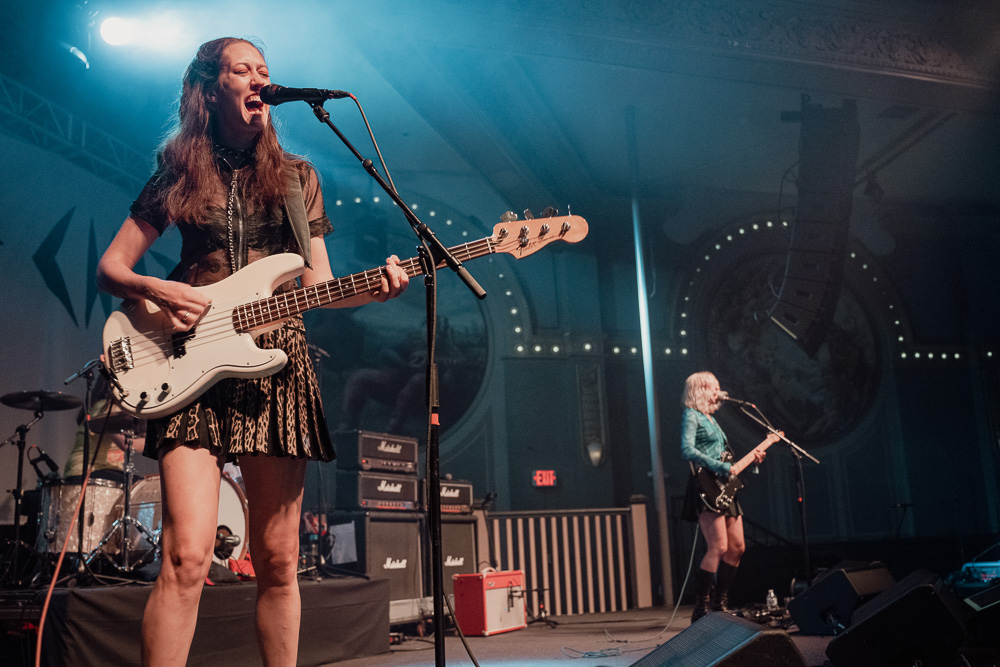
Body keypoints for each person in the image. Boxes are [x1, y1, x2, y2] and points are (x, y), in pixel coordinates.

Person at [96, 37, 409, 666]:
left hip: (276, 362)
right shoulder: (178, 171)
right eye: (243, 70)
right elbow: (111, 268)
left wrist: (372, 291)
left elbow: (318, 288)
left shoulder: (298, 177)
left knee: (277, 558)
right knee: (185, 556)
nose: (259, 80)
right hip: (188, 359)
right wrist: (157, 285)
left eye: (265, 71)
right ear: (211, 89)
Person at [679, 371, 779, 622]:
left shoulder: (712, 420)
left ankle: (719, 604)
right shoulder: (692, 416)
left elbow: (729, 459)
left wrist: (754, 461)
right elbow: (687, 449)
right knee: (719, 546)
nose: (719, 392)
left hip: (726, 486)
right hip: (707, 484)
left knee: (736, 547)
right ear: (701, 390)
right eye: (714, 388)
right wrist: (721, 467)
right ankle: (700, 608)